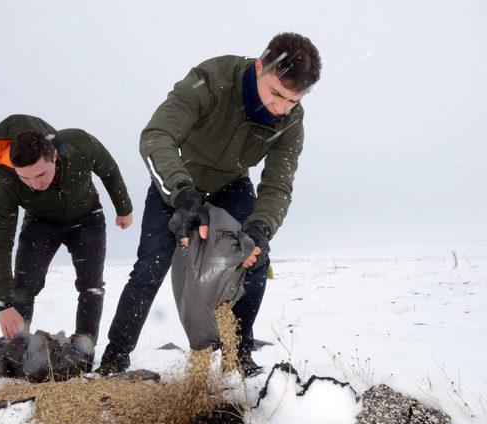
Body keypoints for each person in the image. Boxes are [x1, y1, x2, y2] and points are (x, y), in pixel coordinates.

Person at [96, 32, 321, 376]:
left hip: (232, 185)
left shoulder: (290, 120)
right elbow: (156, 136)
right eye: (276, 93)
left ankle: (239, 356)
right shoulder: (212, 79)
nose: (280, 108)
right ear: (260, 66)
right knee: (150, 268)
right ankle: (115, 356)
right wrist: (182, 194)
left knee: (255, 255)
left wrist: (262, 227)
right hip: (178, 183)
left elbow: (278, 184)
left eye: (293, 100)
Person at [0, 114, 133, 349]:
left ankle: (84, 348)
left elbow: (109, 170)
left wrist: (124, 208)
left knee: (91, 286)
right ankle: (18, 348)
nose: (35, 184)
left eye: (41, 174)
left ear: (53, 155)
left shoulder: (79, 145)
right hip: (40, 223)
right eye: (26, 178)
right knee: (23, 288)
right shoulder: (7, 182)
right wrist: (3, 305)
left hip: (87, 218)